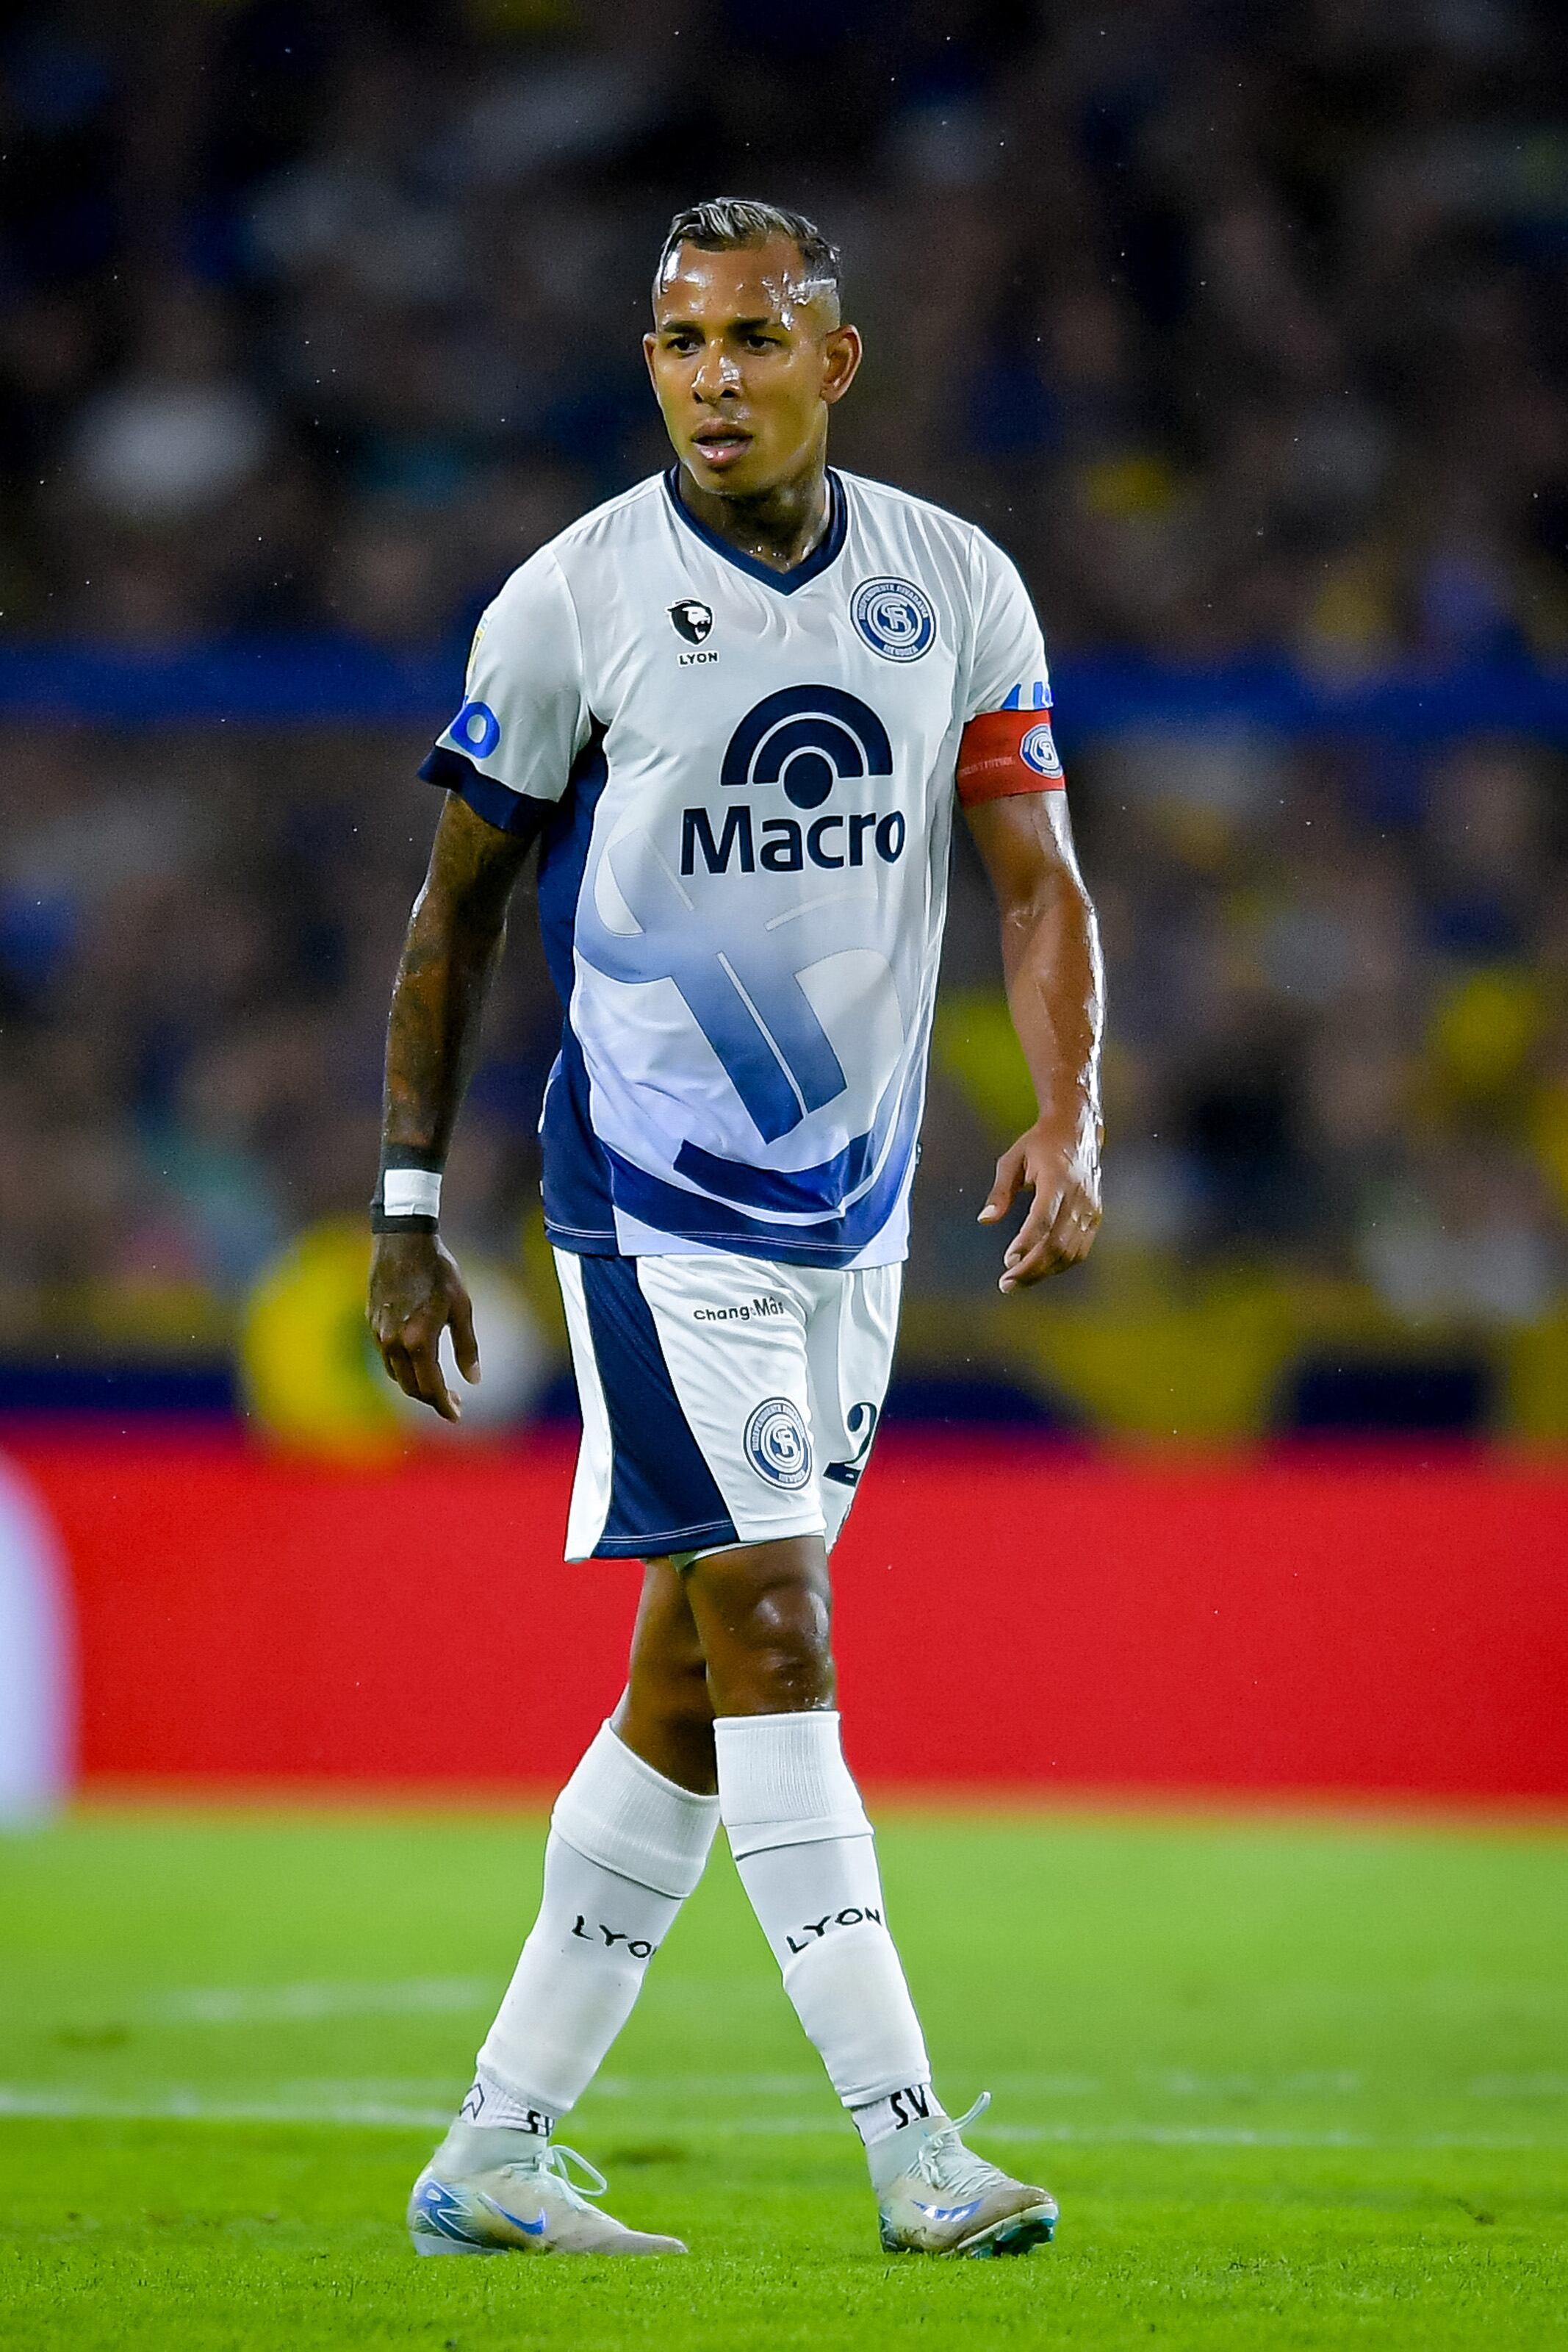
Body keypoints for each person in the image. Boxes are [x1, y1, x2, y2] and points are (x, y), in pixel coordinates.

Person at [369, 197, 1103, 2261]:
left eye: (754, 338)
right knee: (778, 1622)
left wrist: (1072, 1114)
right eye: (680, 341)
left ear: (834, 361)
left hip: (851, 1215)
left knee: (695, 1685)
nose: (712, 377)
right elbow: (457, 912)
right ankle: (911, 2147)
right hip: (650, 1204)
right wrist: (410, 1212)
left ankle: (493, 2148)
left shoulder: (952, 585)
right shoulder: (574, 598)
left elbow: (1037, 880)